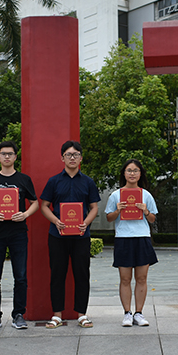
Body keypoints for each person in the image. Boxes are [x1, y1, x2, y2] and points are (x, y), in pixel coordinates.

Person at [0, 141, 39, 330]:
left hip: (18, 233)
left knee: (20, 276)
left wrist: (25, 214)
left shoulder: (24, 179)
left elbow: (35, 202)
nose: (6, 157)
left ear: (15, 156)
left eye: (10, 154)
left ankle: (19, 314)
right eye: (3, 154)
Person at [39, 140, 101, 329]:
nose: (72, 158)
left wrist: (85, 223)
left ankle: (82, 314)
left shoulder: (88, 182)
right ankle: (57, 314)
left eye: (75, 154)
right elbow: (44, 206)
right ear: (62, 158)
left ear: (81, 158)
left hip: (81, 236)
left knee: (82, 274)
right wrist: (56, 220)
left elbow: (94, 207)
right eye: (68, 154)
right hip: (57, 236)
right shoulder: (54, 181)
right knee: (58, 274)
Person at [105, 160, 158, 326]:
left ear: (140, 174)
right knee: (125, 278)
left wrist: (145, 210)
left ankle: (139, 313)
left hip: (142, 237)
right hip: (123, 238)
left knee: (141, 278)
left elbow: (152, 218)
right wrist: (118, 210)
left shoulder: (146, 195)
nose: (132, 173)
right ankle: (127, 313)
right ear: (124, 173)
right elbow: (108, 218)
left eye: (136, 170)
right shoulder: (115, 195)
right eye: (129, 170)